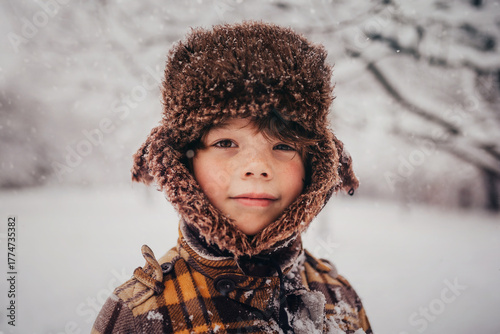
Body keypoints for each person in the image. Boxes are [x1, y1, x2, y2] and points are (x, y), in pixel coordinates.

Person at [91, 21, 372, 334]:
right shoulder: (139, 315)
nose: (257, 167)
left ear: (313, 168)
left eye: (282, 145)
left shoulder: (339, 297)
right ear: (185, 163)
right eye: (225, 143)